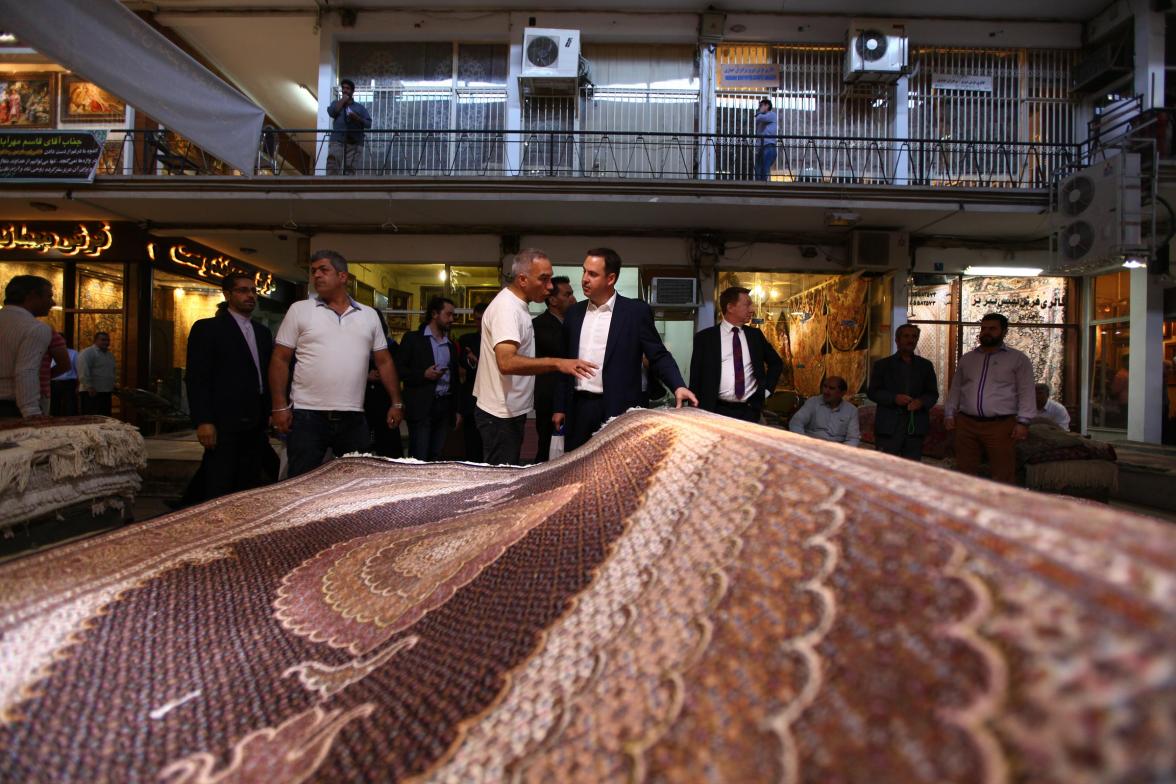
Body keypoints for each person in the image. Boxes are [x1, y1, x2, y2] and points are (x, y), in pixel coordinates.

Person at [269, 250, 404, 478]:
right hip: (307, 416)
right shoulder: (300, 310)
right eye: (314, 272)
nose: (317, 276)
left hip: (353, 416)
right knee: (302, 482)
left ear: (343, 277)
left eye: (324, 270)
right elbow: (280, 358)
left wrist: (397, 402)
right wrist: (279, 406)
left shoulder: (369, 315)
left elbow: (384, 361)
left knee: (353, 483)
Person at [553, 248, 698, 451]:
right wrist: (559, 406)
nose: (584, 279)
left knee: (618, 469)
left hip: (618, 408)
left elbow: (658, 354)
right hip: (579, 408)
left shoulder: (635, 313)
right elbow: (564, 361)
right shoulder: (574, 314)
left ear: (611, 278)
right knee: (578, 469)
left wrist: (677, 385)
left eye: (592, 274)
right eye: (584, 271)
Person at [473, 249, 596, 465]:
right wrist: (558, 363)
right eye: (544, 279)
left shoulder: (518, 307)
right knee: (500, 482)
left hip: (508, 411)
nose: (549, 287)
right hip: (500, 414)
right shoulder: (507, 310)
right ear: (522, 279)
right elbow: (506, 362)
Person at [185, 273, 275, 501]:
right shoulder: (208, 329)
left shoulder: (262, 333)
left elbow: (265, 375)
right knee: (219, 482)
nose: (250, 296)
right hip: (223, 421)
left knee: (249, 483)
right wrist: (204, 420)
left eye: (254, 291)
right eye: (243, 290)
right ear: (227, 294)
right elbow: (198, 378)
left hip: (255, 421)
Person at [944, 312, 1036, 484]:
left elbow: (1027, 391)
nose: (986, 332)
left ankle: (1000, 508)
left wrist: (1023, 422)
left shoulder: (1018, 359)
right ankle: (965, 508)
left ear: (1004, 332)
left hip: (1000, 425)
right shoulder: (968, 359)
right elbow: (956, 388)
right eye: (984, 328)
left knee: (1003, 473)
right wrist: (949, 414)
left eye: (992, 329)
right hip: (966, 424)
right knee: (964, 471)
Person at [689, 286, 783, 423]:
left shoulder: (755, 336)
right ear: (730, 307)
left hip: (750, 410)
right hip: (715, 410)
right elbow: (695, 376)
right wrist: (694, 408)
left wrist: (766, 391)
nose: (752, 309)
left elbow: (776, 363)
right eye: (747, 304)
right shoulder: (705, 338)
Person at [398, 296, 464, 461]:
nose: (452, 319)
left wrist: (456, 410)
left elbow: (454, 380)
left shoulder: (450, 345)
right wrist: (423, 374)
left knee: (437, 455)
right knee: (419, 456)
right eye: (448, 315)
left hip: (444, 406)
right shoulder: (413, 339)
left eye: (453, 315)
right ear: (434, 314)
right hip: (421, 407)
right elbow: (399, 370)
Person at [867, 323, 940, 460]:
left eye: (914, 337)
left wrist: (921, 402)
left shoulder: (925, 366)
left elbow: (932, 394)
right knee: (885, 469)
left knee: (911, 470)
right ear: (897, 340)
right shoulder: (883, 365)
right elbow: (873, 392)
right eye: (906, 336)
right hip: (888, 427)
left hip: (915, 427)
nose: (910, 340)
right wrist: (894, 398)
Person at [532, 276, 575, 461]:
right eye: (568, 294)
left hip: (570, 394)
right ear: (553, 300)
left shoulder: (571, 322)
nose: (573, 298)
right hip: (548, 397)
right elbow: (562, 352)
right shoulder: (539, 325)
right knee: (547, 447)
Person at [0, 275, 55, 418]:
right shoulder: (35, 328)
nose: (53, 302)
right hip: (10, 407)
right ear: (32, 296)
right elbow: (26, 371)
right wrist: (32, 412)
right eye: (49, 296)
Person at [364, 310, 403, 459]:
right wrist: (366, 376)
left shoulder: (392, 347)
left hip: (385, 400)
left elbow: (398, 369)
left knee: (388, 449)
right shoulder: (357, 345)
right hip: (363, 400)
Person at [789, 375, 861, 446]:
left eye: (831, 388)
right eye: (825, 386)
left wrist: (842, 452)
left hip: (835, 449)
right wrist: (804, 442)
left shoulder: (851, 410)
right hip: (811, 444)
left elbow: (853, 438)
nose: (826, 391)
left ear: (842, 393)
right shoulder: (813, 402)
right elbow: (796, 423)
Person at [458, 301, 487, 461]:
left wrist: (478, 361)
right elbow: (463, 363)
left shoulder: (499, 340)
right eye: (477, 319)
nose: (480, 323)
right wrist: (472, 362)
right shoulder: (467, 339)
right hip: (471, 400)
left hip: (493, 400)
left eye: (483, 319)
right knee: (472, 446)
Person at [326, 79, 371, 175]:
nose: (345, 90)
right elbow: (332, 112)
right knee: (332, 166)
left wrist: (357, 118)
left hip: (354, 142)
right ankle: (330, 188)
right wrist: (343, 100)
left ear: (352, 91)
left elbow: (368, 124)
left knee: (350, 170)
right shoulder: (336, 103)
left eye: (348, 88)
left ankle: (347, 190)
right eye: (343, 88)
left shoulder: (360, 108)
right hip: (337, 140)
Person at [77, 331, 116, 416]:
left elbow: (111, 371)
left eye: (108, 340)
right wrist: (89, 387)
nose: (106, 342)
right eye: (103, 340)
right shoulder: (87, 353)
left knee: (105, 419)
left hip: (106, 392)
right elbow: (83, 371)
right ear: (95, 341)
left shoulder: (109, 355)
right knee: (91, 420)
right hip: (91, 392)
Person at [39, 331, 69, 417]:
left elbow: (64, 365)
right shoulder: (48, 333)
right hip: (39, 389)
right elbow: (65, 365)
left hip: (40, 389)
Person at [50, 338, 79, 417]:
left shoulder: (73, 353)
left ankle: (70, 424)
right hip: (54, 382)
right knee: (54, 405)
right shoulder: (49, 353)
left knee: (70, 405)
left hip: (69, 382)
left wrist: (78, 385)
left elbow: (78, 369)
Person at [754, 98, 778, 181]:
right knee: (758, 170)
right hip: (761, 147)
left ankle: (763, 187)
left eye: (761, 105)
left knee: (764, 170)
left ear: (767, 106)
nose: (760, 107)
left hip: (769, 146)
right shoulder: (762, 118)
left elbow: (759, 118)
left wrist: (759, 112)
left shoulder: (772, 115)